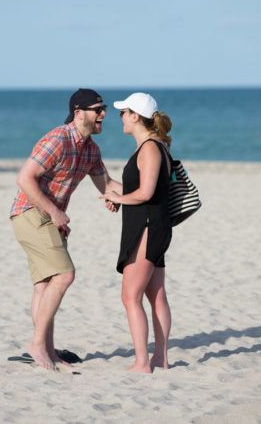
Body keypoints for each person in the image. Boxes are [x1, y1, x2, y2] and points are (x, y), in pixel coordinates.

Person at [10, 88, 121, 370]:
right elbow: (25, 178)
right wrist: (55, 211)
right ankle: (36, 345)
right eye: (98, 109)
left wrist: (140, 194)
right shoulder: (58, 139)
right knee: (64, 275)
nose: (104, 114)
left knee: (44, 285)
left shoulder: (91, 150)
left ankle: (46, 351)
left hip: (47, 219)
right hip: (30, 213)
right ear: (79, 113)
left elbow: (107, 186)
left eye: (104, 108)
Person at [100, 92, 172, 373]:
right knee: (156, 295)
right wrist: (118, 194)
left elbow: (146, 192)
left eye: (123, 112)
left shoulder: (151, 148)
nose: (120, 117)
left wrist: (120, 199)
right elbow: (140, 191)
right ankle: (160, 358)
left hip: (147, 228)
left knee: (130, 296)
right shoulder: (150, 146)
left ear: (135, 116)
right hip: (153, 225)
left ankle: (143, 362)